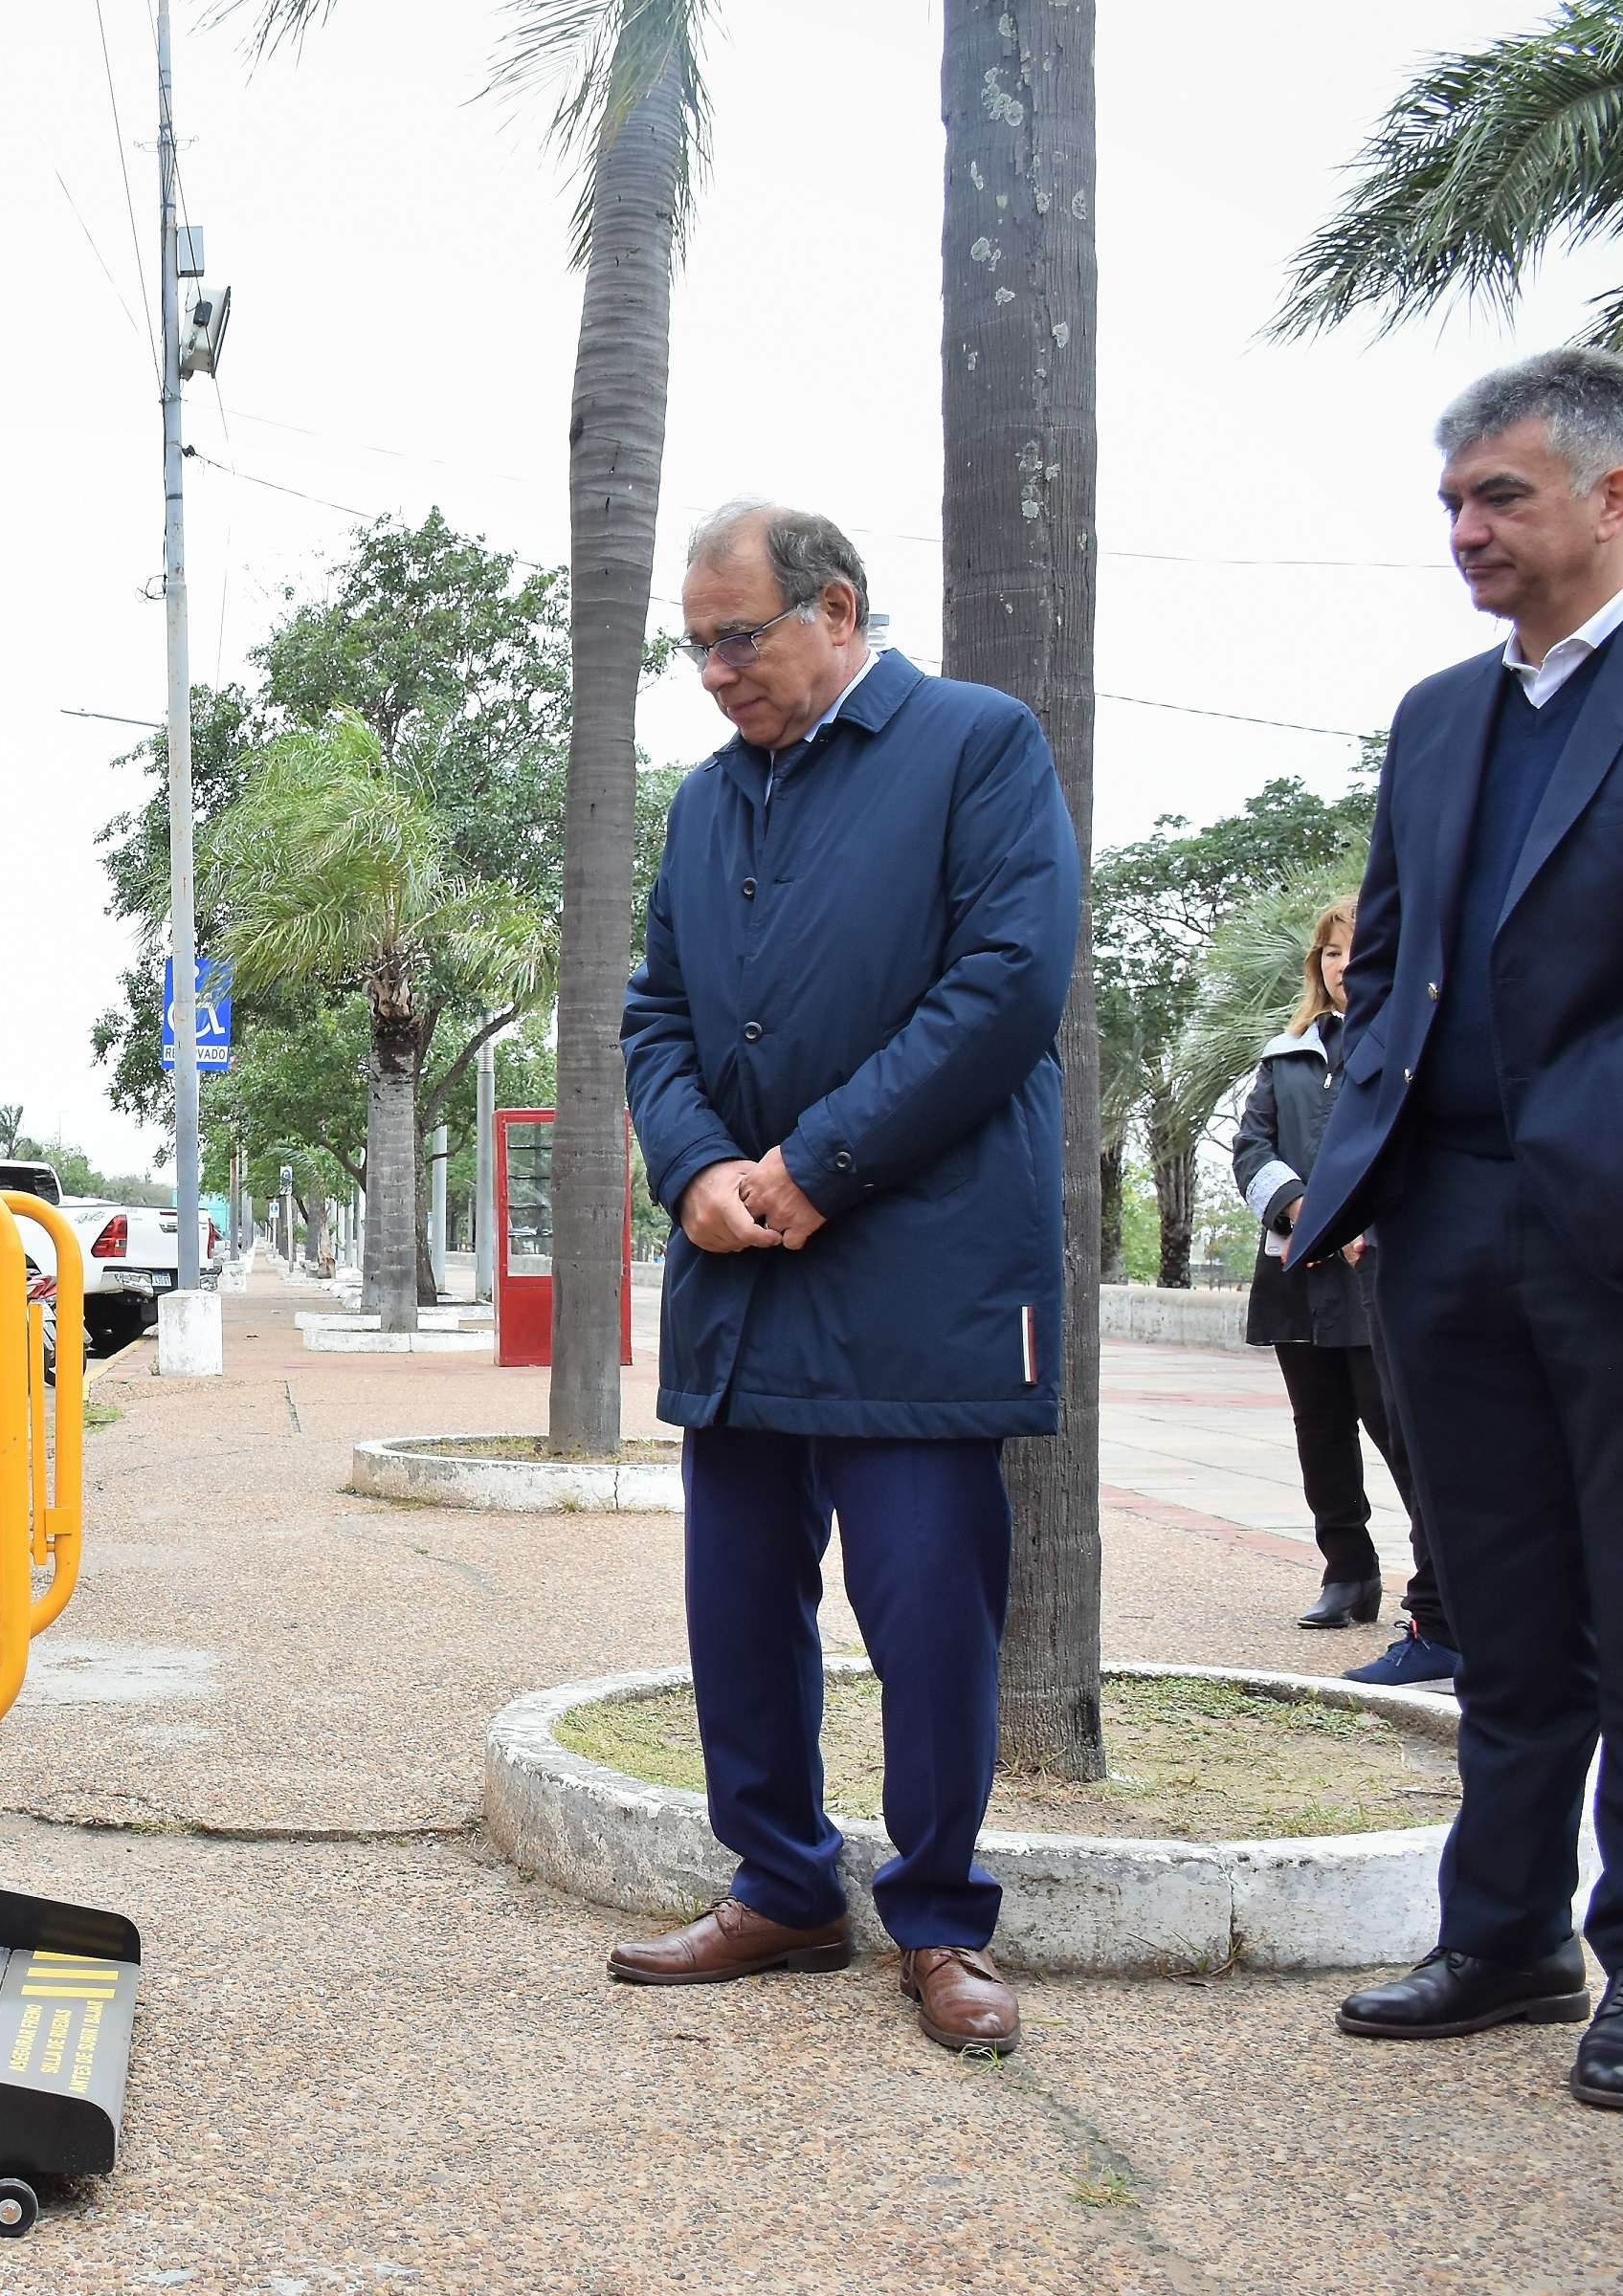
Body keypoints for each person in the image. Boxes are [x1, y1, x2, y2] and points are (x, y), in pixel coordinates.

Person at [1286, 347, 1623, 2112]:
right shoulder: (1438, 714)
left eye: (1502, 498)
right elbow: (1385, 952)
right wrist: (1373, 1162)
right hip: (1443, 1223)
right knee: (1508, 1602)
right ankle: (1506, 1937)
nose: (1466, 531)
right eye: (1453, 503)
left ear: (1618, 499)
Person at [613, 499, 1078, 2059]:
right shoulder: (704, 802)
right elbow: (656, 1014)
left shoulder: (976, 745)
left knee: (928, 1613)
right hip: (742, 1268)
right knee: (738, 1601)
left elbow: (1008, 984)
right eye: (695, 647)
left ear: (834, 610)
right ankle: (783, 1886)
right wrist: (696, 1173)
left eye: (737, 638)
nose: (713, 674)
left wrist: (818, 1166)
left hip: (916, 1267)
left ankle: (941, 1919)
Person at [1231, 895, 1455, 1681]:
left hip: (1374, 1276)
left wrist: (1359, 1223)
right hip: (1299, 1274)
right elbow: (1250, 1148)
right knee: (1320, 1436)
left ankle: (1443, 1594)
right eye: (1331, 954)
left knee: (1402, 1436)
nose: (1342, 967)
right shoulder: (1284, 1055)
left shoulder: (1406, 1047)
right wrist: (1307, 1212)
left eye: (1357, 953)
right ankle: (1348, 1573)